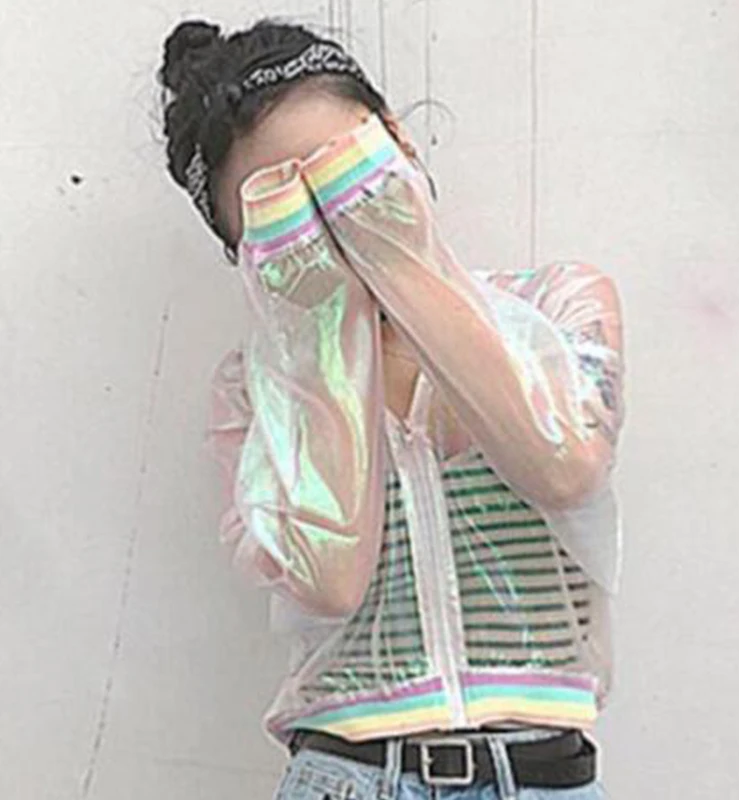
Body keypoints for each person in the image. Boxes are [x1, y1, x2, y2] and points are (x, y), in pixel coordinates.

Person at [158, 17, 625, 800]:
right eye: (286, 220)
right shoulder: (253, 391)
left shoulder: (555, 306)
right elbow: (329, 580)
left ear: (397, 143)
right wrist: (318, 325)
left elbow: (563, 468)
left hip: (546, 775)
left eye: (350, 175)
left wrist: (397, 255)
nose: (333, 222)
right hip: (345, 774)